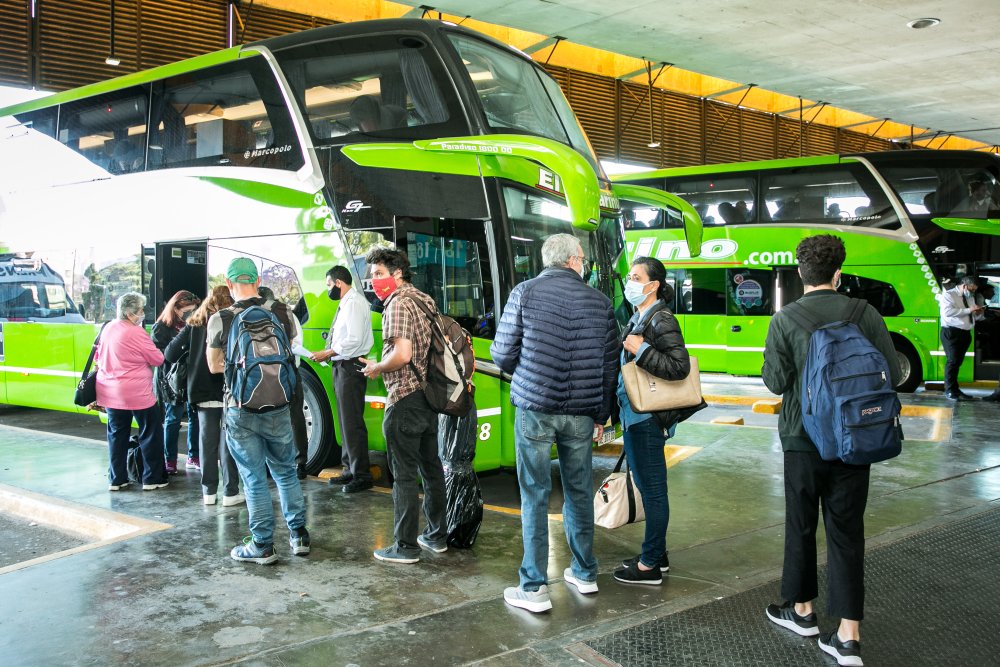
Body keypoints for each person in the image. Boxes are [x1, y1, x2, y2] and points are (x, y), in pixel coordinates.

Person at [762, 234, 901, 667]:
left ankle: (801, 610)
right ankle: (848, 636)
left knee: (801, 525)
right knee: (847, 532)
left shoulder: (785, 319)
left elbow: (774, 382)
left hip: (802, 439)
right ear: (838, 274)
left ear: (801, 274)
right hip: (854, 439)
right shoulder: (865, 312)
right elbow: (891, 372)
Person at [490, 233, 618, 613]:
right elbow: (610, 365)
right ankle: (584, 572)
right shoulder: (600, 303)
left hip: (535, 407)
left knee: (534, 494)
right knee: (579, 490)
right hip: (580, 412)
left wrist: (527, 373)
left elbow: (501, 352)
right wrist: (602, 414)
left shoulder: (525, 292)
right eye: (583, 258)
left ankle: (533, 588)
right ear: (574, 260)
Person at [207, 258, 309, 565]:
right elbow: (288, 352)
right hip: (279, 403)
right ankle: (299, 535)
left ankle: (262, 545)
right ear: (258, 279)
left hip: (240, 407)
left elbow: (213, 366)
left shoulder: (222, 318)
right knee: (285, 471)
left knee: (252, 476)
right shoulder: (282, 311)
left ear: (229, 282)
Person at [613, 257, 705, 585]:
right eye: (629, 276)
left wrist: (641, 350)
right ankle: (658, 555)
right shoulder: (640, 316)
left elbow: (679, 366)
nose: (630, 282)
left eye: (636, 277)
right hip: (635, 414)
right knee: (648, 485)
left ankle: (650, 564)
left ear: (653, 286)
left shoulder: (661, 318)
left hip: (648, 418)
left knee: (652, 490)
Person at [359, 246, 448, 563]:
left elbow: (403, 355)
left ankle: (405, 546)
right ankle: (437, 535)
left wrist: (377, 366)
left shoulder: (397, 304)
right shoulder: (425, 300)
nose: (374, 281)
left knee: (405, 476)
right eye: (372, 276)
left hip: (405, 397)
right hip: (429, 396)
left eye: (379, 274)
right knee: (432, 469)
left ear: (397, 274)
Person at [164, 286, 243, 507]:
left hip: (201, 389)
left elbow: (170, 354)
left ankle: (208, 492)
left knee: (207, 441)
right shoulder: (231, 321)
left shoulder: (194, 324)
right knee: (228, 441)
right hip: (228, 388)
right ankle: (230, 492)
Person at [96, 292, 170, 491]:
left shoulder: (108, 327)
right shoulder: (135, 332)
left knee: (116, 435)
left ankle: (117, 479)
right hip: (137, 393)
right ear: (130, 313)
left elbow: (98, 356)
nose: (142, 314)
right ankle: (152, 478)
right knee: (150, 432)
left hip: (110, 391)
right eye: (140, 311)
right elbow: (157, 359)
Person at [311, 265, 375, 493]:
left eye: (329, 284)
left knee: (352, 422)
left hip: (351, 365)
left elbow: (354, 339)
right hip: (342, 365)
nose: (328, 289)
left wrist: (327, 352)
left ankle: (361, 474)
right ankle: (349, 469)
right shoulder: (347, 302)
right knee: (345, 421)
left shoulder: (355, 303)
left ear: (339, 282)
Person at [258, 285, 309, 480]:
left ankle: (270, 463)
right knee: (295, 417)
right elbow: (297, 344)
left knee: (267, 417)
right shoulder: (287, 314)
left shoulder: (254, 316)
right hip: (288, 372)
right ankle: (299, 463)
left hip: (265, 374)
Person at [151, 290, 202, 474]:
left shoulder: (194, 325)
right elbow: (160, 356)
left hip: (192, 377)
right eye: (186, 311)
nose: (189, 314)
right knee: (173, 419)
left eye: (192, 310)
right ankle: (170, 459)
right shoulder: (161, 327)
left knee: (195, 417)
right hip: (172, 380)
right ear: (175, 308)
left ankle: (193, 455)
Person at [937, 275, 983, 401]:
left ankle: (955, 390)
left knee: (957, 362)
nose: (973, 292)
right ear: (964, 285)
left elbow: (971, 314)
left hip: (965, 333)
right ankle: (949, 390)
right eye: (972, 289)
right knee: (952, 361)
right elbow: (948, 312)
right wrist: (969, 310)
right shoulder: (949, 295)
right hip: (951, 333)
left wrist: (977, 313)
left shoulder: (970, 297)